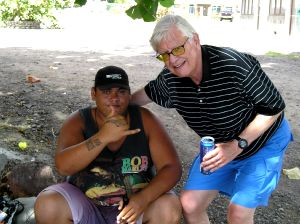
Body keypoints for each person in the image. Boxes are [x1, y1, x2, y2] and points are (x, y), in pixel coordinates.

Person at [130, 15, 293, 224]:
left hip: (262, 143)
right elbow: (145, 95)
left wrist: (237, 145)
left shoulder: (233, 64)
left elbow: (274, 107)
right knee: (190, 204)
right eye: (163, 55)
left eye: (178, 49)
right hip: (220, 146)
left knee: (239, 212)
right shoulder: (170, 79)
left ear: (195, 40)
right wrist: (110, 108)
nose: (172, 60)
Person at [34, 65, 182, 224]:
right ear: (93, 94)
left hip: (135, 209)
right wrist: (103, 137)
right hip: (87, 206)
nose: (114, 97)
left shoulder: (145, 120)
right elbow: (63, 166)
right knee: (47, 204)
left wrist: (143, 199)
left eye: (121, 91)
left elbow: (171, 167)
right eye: (106, 92)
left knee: (168, 206)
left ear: (129, 95)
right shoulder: (79, 120)